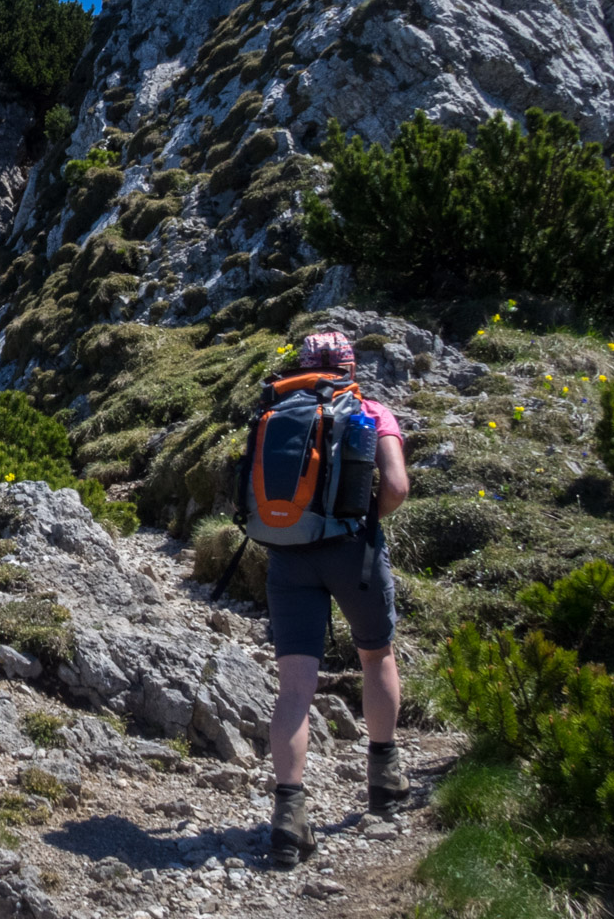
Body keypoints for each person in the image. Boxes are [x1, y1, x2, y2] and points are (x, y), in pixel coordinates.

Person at [266, 329, 412, 869]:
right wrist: (362, 522)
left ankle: (287, 821)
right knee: (376, 655)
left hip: (287, 556)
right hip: (354, 552)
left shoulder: (278, 410)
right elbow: (395, 488)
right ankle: (386, 780)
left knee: (295, 687)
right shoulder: (371, 411)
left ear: (301, 366)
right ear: (352, 366)